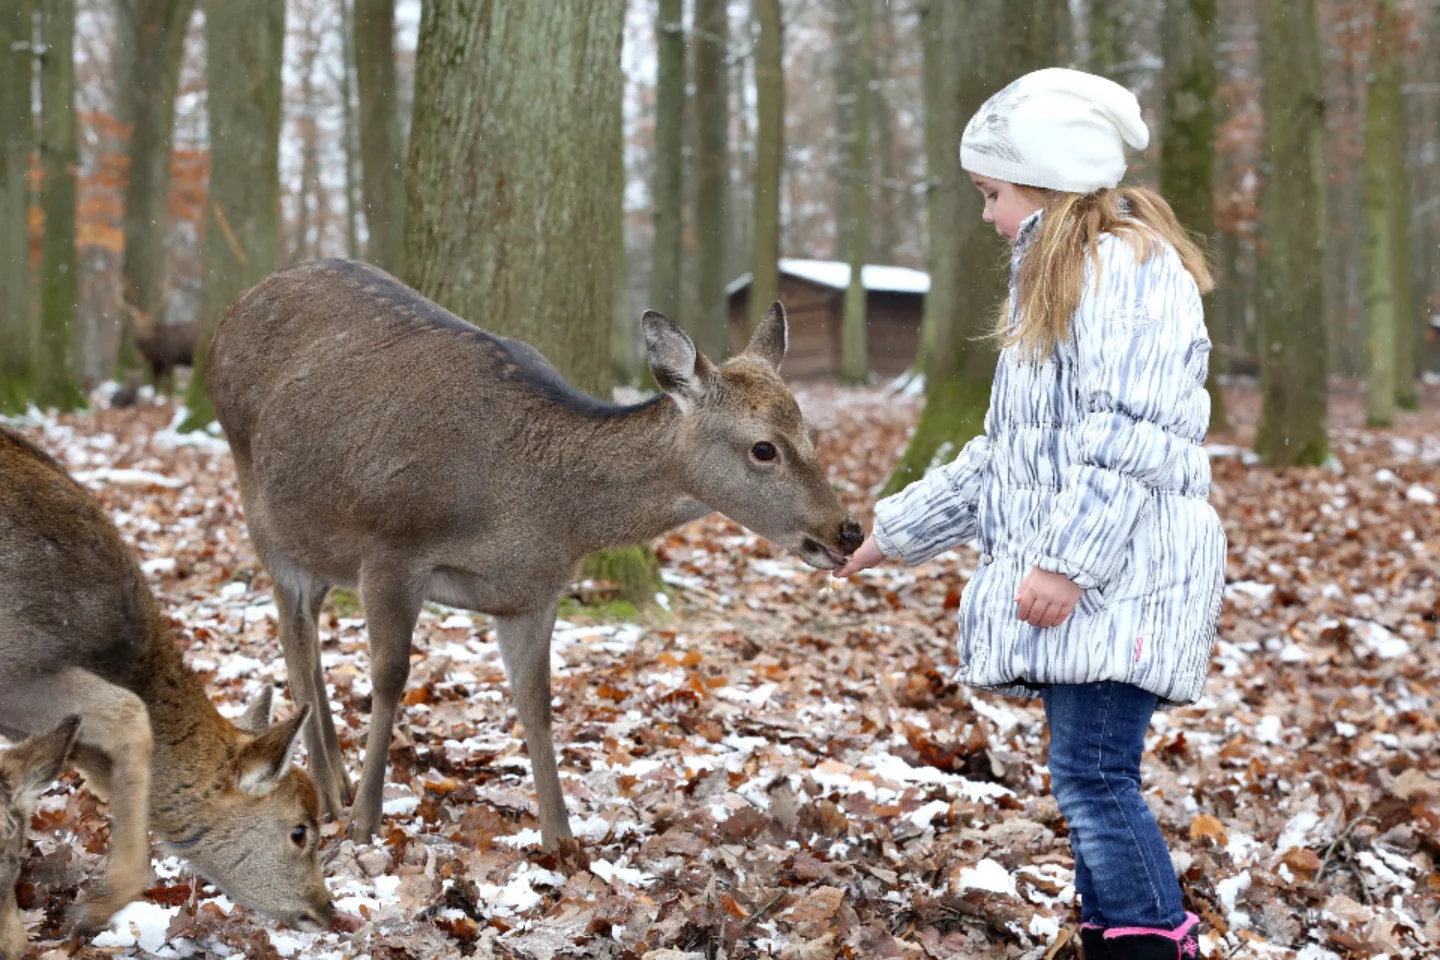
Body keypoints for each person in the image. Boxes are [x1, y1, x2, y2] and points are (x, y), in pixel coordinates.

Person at [836, 67, 1224, 960]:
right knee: (1088, 776)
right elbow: (1010, 457)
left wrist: (1066, 563)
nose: (987, 214)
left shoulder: (1125, 270)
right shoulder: (1059, 280)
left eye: (993, 193)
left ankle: (1154, 946)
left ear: (1047, 181)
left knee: (1093, 776)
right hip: (1097, 574)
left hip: (1123, 574)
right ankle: (1117, 938)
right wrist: (891, 534)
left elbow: (1131, 432)